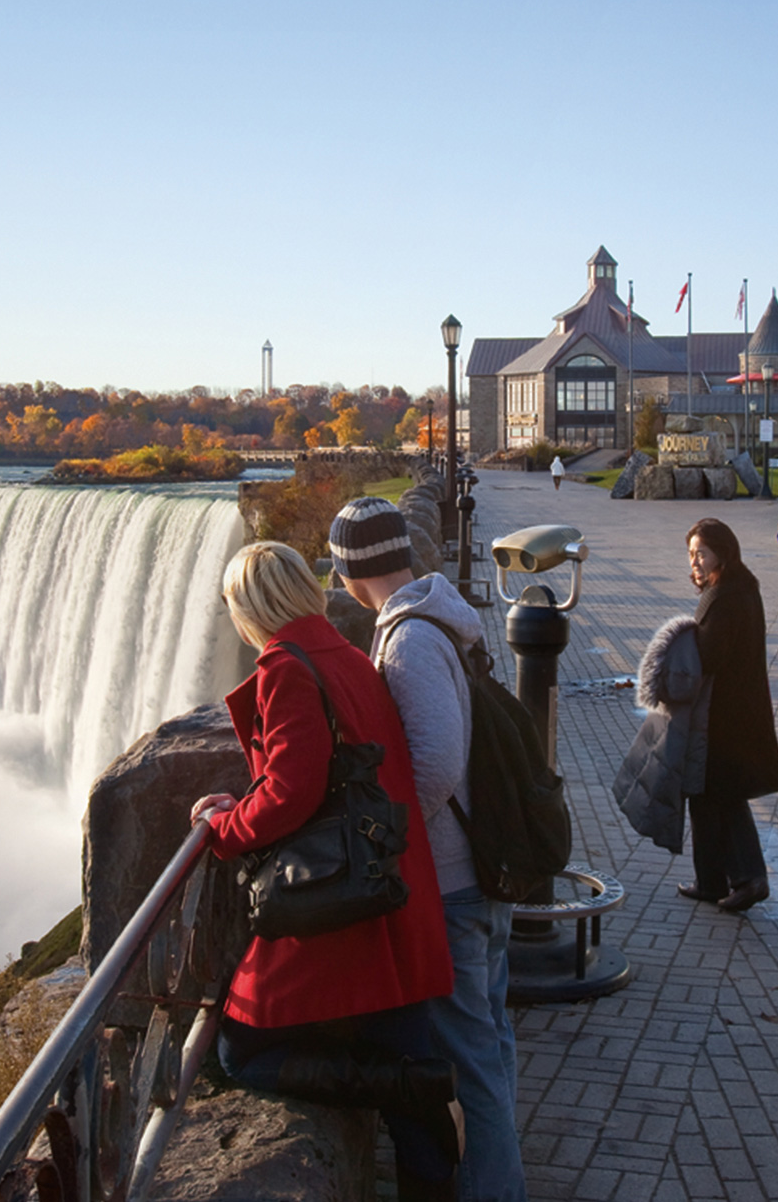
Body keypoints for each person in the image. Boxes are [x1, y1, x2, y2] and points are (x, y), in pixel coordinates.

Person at [190, 540, 463, 1200]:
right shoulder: (342, 651)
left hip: (343, 906)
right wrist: (245, 798)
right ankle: (418, 1098)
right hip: (385, 887)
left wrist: (225, 828)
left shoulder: (286, 665)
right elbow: (318, 770)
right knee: (404, 1059)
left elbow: (293, 789)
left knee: (240, 1049)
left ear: (252, 605)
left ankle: (415, 1086)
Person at [329, 498, 528, 1201]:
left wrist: (391, 833)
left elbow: (438, 762)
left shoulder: (409, 641)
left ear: (351, 571)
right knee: (491, 1042)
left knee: (471, 1060)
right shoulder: (439, 619)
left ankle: (496, 1190)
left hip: (454, 880)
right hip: (482, 867)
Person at [677, 518, 778, 912]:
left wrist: (681, 641)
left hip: (722, 714)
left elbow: (709, 656)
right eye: (691, 554)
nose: (695, 561)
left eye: (701, 553)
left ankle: (748, 877)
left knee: (717, 794)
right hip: (737, 709)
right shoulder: (741, 586)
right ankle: (712, 880)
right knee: (711, 795)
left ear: (722, 552)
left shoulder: (724, 595)